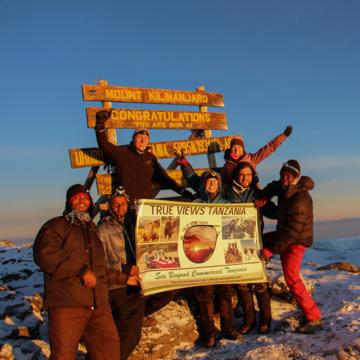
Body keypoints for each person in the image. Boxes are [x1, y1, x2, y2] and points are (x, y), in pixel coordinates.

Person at [33, 184, 120, 360]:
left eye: (86, 197)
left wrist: (126, 277)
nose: (82, 200)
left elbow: (100, 269)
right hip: (67, 305)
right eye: (77, 197)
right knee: (63, 355)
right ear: (69, 201)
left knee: (109, 349)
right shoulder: (56, 225)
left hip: (99, 306)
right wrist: (80, 270)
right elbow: (45, 256)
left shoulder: (92, 230)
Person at [257, 160, 323, 334]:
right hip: (285, 235)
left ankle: (314, 317)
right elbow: (273, 186)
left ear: (296, 177)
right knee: (258, 241)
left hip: (295, 241)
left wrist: (271, 250)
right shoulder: (284, 187)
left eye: (289, 175)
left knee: (292, 278)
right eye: (283, 174)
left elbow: (291, 234)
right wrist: (264, 196)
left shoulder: (300, 199)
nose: (285, 178)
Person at [95, 110, 193, 218]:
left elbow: (165, 179)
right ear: (133, 138)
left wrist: (186, 193)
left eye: (146, 138)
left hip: (146, 209)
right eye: (139, 137)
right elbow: (105, 146)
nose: (142, 141)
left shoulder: (150, 158)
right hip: (126, 209)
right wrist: (100, 124)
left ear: (148, 142)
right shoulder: (122, 153)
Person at [184, 168, 242, 347]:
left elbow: (237, 225)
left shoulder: (226, 204)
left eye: (215, 182)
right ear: (204, 184)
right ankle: (209, 333)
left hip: (222, 256)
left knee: (225, 292)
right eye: (208, 181)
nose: (211, 184)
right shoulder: (195, 204)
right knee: (205, 294)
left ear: (219, 185)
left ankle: (228, 328)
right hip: (202, 254)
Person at [224, 162, 276, 335]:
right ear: (236, 176)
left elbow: (274, 212)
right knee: (242, 285)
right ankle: (249, 319)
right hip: (234, 244)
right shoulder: (227, 193)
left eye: (249, 175)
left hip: (254, 244)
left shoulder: (257, 194)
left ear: (253, 176)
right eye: (242, 175)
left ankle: (265, 319)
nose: (245, 178)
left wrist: (267, 201)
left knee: (259, 282)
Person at [97, 187, 145, 360]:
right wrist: (124, 269)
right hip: (117, 285)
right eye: (116, 204)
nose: (120, 207)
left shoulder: (132, 223)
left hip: (135, 280)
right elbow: (99, 262)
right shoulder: (103, 228)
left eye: (123, 203)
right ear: (110, 206)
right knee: (131, 334)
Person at [221, 126, 293, 188]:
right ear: (231, 149)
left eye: (239, 147)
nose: (237, 150)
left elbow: (268, 148)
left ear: (243, 148)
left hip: (252, 191)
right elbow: (222, 182)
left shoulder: (251, 159)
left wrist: (283, 136)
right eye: (234, 147)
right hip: (233, 196)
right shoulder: (227, 165)